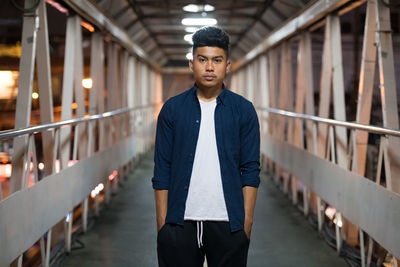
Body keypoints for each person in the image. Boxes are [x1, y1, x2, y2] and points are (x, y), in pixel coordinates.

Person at [152, 26, 260, 267]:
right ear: (192, 64)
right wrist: (162, 225)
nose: (209, 67)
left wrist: (246, 223)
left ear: (228, 65)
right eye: (202, 60)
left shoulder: (243, 110)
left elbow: (250, 168)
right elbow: (162, 169)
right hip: (180, 223)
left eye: (217, 60)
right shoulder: (172, 109)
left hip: (229, 223)